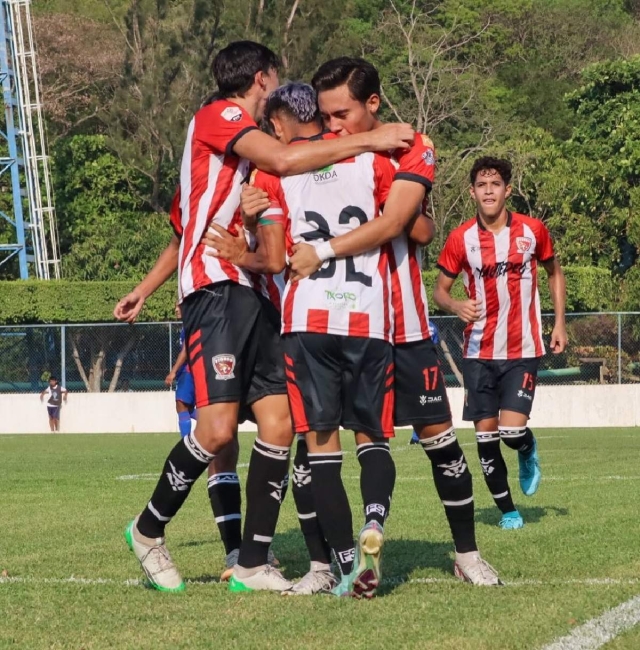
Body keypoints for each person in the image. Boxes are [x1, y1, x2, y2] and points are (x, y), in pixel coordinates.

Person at [122, 41, 415, 594]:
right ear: (261, 78)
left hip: (257, 294)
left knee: (280, 424)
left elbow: (261, 223)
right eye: (274, 77)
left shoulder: (249, 167)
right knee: (216, 432)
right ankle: (147, 529)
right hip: (216, 288)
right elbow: (271, 168)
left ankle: (253, 561)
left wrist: (144, 287)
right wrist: (371, 138)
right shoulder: (221, 114)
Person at [271, 57, 500, 585]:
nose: (333, 127)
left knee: (440, 440)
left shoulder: (411, 146)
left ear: (373, 104)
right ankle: (324, 565)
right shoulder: (317, 153)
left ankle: (466, 554)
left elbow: (400, 222)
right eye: (325, 117)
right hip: (337, 322)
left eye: (343, 114)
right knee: (323, 444)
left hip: (406, 325)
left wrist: (334, 246)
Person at [208, 81, 401, 598]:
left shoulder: (275, 173)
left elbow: (272, 258)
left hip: (308, 321)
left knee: (320, 452)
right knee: (373, 440)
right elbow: (409, 225)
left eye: (272, 124)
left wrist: (239, 244)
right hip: (369, 319)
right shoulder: (375, 159)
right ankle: (374, 523)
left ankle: (339, 568)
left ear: (280, 123)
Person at [433, 156, 567, 529]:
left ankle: (527, 448)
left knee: (510, 432)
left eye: (495, 184)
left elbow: (554, 272)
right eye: (481, 184)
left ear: (507, 190)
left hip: (523, 349)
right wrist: (457, 304)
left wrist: (558, 323)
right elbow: (440, 292)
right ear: (473, 192)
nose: (488, 190)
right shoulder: (461, 239)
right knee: (486, 440)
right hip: (477, 353)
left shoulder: (532, 231)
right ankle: (508, 510)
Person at [165, 303, 196, 438]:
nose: (176, 310)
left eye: (179, 306)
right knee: (187, 408)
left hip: (189, 371)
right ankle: (216, 424)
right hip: (191, 371)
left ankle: (185, 443)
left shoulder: (189, 325)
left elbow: (186, 351)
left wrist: (173, 372)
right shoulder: (188, 325)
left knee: (181, 404)